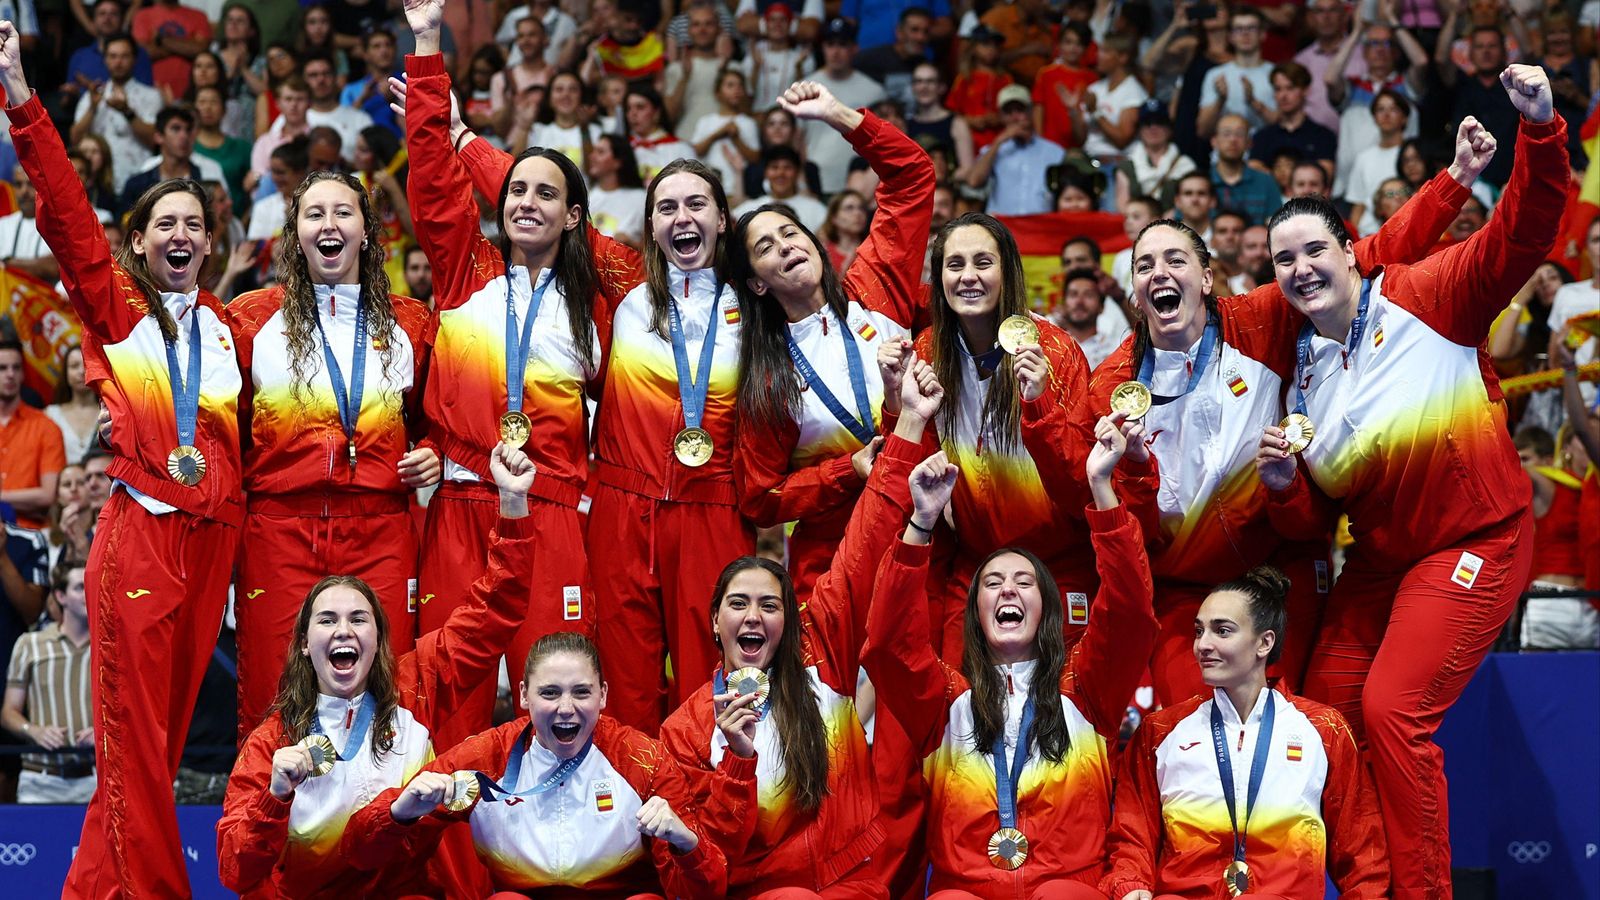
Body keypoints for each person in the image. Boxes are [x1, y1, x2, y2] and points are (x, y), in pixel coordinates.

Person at [1254, 66, 1567, 900]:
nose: (1301, 268)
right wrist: (1286, 484)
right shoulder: (1302, 378)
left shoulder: (1429, 296)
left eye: (1315, 249)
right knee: (1325, 714)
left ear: (1349, 250)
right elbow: (1310, 519)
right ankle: (1366, 886)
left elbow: (1525, 233)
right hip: (1384, 563)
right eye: (1283, 259)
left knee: (1395, 713)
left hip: (1475, 541)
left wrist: (1539, 131)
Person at [1090, 115, 1492, 707]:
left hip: (1276, 570)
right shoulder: (1112, 386)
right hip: (1182, 589)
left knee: (1304, 719)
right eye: (1144, 266)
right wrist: (1128, 467)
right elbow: (1121, 518)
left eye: (1175, 260)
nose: (1160, 274)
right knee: (1180, 730)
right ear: (1133, 292)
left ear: (1206, 277)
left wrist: (1456, 178)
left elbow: (1372, 255)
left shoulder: (1260, 320)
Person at [3, 19, 244, 897]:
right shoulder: (120, 314)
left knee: (160, 745)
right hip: (142, 538)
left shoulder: (235, 329)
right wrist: (26, 103)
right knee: (137, 744)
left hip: (214, 544)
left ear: (210, 244)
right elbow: (66, 211)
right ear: (139, 245)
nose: (180, 234)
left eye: (194, 223)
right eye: (162, 224)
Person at [400, 1, 628, 753]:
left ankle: (555, 866)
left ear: (573, 217)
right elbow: (433, 183)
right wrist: (428, 46)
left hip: (554, 511)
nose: (525, 202)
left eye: (545, 194)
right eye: (517, 190)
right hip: (462, 504)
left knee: (557, 698)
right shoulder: (468, 273)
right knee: (449, 698)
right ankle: (449, 871)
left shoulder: (599, 303)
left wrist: (478, 142)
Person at [662, 360, 940, 897]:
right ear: (715, 621)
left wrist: (909, 421)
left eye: (770, 605)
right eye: (738, 604)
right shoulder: (686, 730)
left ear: (789, 621)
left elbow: (866, 540)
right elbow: (701, 866)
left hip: (851, 880)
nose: (753, 616)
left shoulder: (823, 651)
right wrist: (738, 763)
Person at [217, 444, 539, 898]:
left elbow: (494, 610)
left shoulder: (418, 687)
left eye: (358, 619)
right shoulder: (273, 741)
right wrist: (276, 796)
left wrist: (512, 503)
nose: (343, 631)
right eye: (327, 620)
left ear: (379, 640)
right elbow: (235, 870)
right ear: (306, 646)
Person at [863, 410, 1154, 897]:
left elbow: (1130, 614)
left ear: (1048, 608)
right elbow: (889, 644)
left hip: (1066, 887)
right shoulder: (943, 700)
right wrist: (921, 522)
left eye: (1024, 583)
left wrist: (1103, 491)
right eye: (992, 583)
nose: (1008, 592)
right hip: (967, 888)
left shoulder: (1086, 687)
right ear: (975, 612)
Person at [224, 170, 437, 740]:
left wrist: (433, 451)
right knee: (275, 692)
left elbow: (438, 419)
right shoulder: (248, 319)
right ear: (295, 233)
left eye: (343, 213)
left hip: (380, 527)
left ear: (367, 231)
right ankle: (266, 826)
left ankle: (380, 825)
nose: (329, 224)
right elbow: (217, 423)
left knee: (390, 686)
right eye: (314, 214)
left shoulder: (411, 322)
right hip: (279, 528)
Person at [729, 81, 932, 599]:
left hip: (926, 522)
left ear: (814, 240)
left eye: (791, 232)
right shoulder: (768, 373)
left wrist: (839, 116)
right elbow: (760, 497)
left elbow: (911, 178)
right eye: (766, 248)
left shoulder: (875, 288)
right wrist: (847, 470)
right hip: (832, 552)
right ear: (756, 281)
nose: (785, 246)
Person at [340, 631, 729, 899]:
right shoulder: (486, 757)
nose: (566, 708)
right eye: (549, 693)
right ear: (523, 695)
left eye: (581, 692)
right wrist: (398, 814)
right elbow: (359, 854)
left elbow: (706, 891)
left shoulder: (641, 759)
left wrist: (686, 843)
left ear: (604, 695)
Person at [1100, 568, 1390, 900]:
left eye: (1222, 631)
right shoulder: (1160, 732)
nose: (1202, 645)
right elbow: (1131, 835)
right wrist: (1131, 885)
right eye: (1198, 631)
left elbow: (1363, 853)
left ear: (1265, 642)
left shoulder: (1324, 730)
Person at [911, 213, 1112, 668]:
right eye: (954, 264)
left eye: (983, 262)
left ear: (1009, 272)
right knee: (956, 709)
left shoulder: (1056, 352)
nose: (968, 276)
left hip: (1058, 566)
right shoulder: (927, 351)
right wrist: (894, 406)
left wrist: (1039, 406)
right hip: (977, 564)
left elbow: (1081, 487)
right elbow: (918, 474)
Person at [2, 557, 95, 803]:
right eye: (80, 587)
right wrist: (34, 730)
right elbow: (8, 712)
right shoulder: (30, 644)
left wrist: (104, 733)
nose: (89, 592)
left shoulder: (110, 647)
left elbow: (129, 710)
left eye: (92, 584)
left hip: (96, 778)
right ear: (60, 597)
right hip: (40, 781)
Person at [966, 85, 1062, 217]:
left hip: (1041, 229)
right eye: (1008, 112)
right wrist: (999, 141)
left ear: (1030, 112)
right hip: (1002, 230)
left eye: (1020, 110)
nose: (1015, 117)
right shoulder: (993, 150)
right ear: (1001, 116)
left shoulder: (1055, 152)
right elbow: (974, 181)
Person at [0, 338, 64, 532]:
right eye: (2, 368)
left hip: (29, 535)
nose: (10, 374)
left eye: (16, 368)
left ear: (23, 374)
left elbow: (48, 495)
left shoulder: (46, 427)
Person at [587, 133, 647, 247]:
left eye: (600, 152)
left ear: (617, 162)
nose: (592, 156)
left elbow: (653, 250)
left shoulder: (641, 198)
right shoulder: (587, 197)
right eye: (593, 151)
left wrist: (631, 244)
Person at [44, 345, 98, 471]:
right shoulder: (50, 414)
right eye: (74, 366)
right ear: (65, 373)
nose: (81, 371)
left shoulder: (110, 413)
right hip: (61, 487)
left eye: (86, 364)